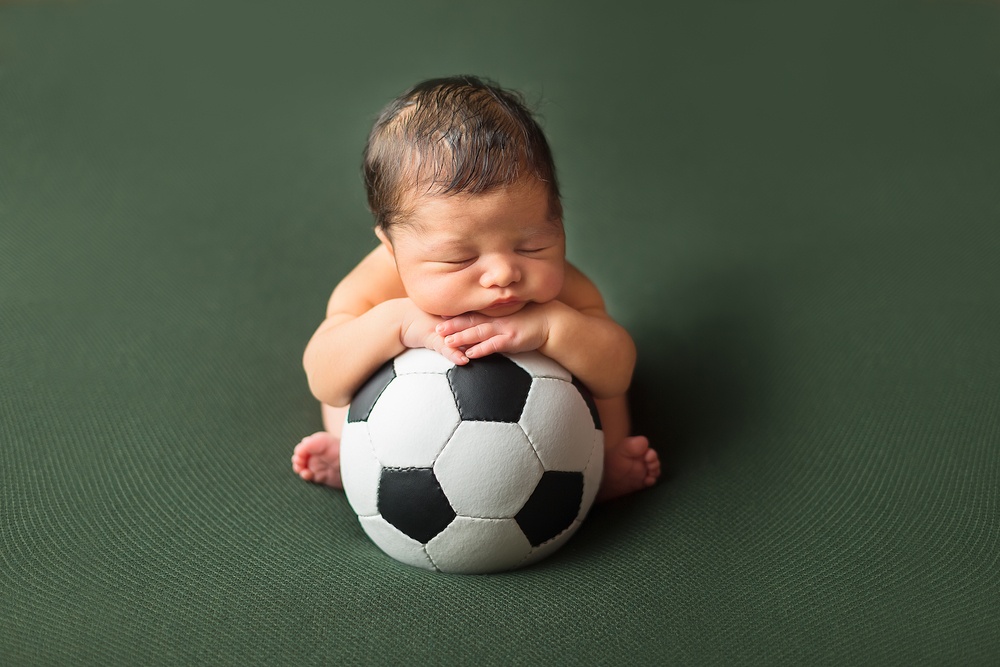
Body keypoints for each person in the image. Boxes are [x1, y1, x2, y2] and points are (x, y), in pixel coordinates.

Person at [292, 76, 660, 501]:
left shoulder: (564, 291)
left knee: (598, 366)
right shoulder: (377, 286)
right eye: (459, 259)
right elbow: (324, 378)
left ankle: (601, 460)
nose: (504, 273)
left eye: (533, 244)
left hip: (550, 435)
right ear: (392, 249)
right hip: (404, 427)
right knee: (350, 364)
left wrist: (553, 327)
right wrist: (396, 322)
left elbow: (617, 372)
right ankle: (356, 456)